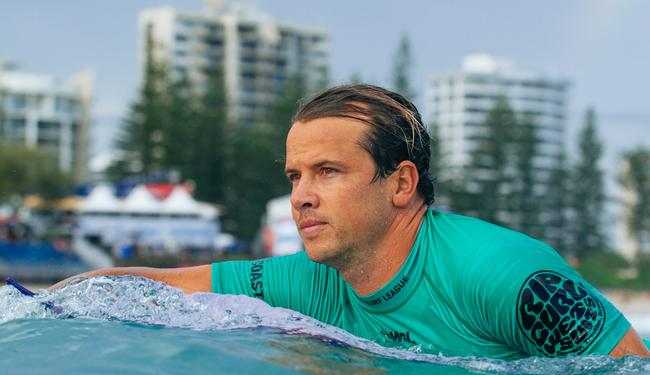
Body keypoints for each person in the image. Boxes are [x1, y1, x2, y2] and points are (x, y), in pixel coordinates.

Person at [69, 84, 649, 359]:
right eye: (295, 176)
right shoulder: (309, 278)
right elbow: (154, 285)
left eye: (327, 171)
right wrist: (27, 304)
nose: (301, 197)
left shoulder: (506, 280)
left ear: (400, 184)